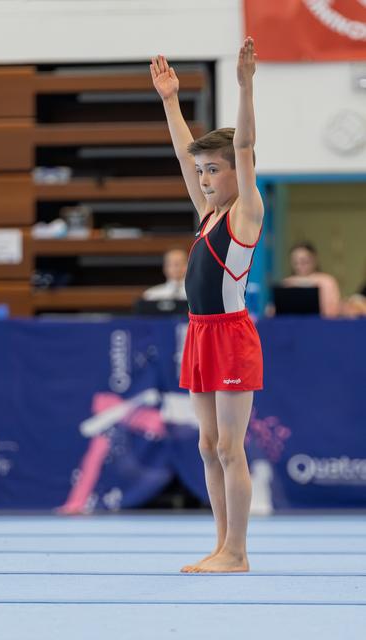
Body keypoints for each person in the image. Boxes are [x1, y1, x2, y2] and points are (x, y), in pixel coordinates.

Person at [150, 37, 263, 574]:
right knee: (207, 444)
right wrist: (171, 102)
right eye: (203, 174)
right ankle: (221, 545)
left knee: (230, 449)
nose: (205, 179)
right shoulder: (209, 215)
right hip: (198, 332)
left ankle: (238, 553)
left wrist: (244, 86)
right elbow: (182, 154)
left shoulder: (246, 214)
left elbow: (244, 147)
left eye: (214, 170)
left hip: (231, 334)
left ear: (237, 173)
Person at [283, 242, 341, 317]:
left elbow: (333, 311)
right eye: (295, 262)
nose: (299, 265)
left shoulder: (327, 281)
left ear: (314, 259)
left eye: (303, 261)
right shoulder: (286, 283)